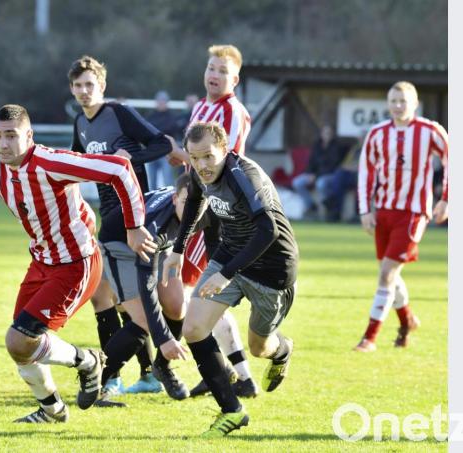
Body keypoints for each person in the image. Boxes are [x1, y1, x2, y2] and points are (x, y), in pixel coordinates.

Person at [0, 104, 155, 423]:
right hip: (41, 262)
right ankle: (52, 410)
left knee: (20, 338)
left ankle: (88, 361)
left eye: (11, 136)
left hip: (76, 264)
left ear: (29, 136)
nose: (3, 144)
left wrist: (134, 227)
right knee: (19, 346)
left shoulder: (51, 161)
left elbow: (119, 169)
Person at [164, 122, 298, 437]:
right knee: (194, 328)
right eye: (195, 158)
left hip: (272, 270)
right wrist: (178, 250)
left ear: (225, 149)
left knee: (258, 347)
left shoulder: (243, 176)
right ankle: (232, 411)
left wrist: (225, 275)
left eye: (209, 157)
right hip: (231, 254)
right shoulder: (200, 170)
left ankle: (281, 350)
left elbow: (269, 230)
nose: (202, 165)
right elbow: (196, 200)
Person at [68, 55, 185, 395]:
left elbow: (163, 143)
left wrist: (130, 158)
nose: (84, 91)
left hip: (141, 220)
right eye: (78, 86)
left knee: (162, 306)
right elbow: (76, 165)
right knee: (116, 303)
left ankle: (145, 371)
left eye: (90, 84)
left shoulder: (118, 113)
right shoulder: (80, 123)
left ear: (101, 86)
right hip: (111, 225)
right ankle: (125, 377)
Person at [92, 173, 221, 403]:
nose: (194, 209)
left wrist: (218, 279)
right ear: (174, 199)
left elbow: (213, 245)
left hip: (162, 246)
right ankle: (94, 379)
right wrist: (164, 339)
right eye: (186, 202)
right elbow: (147, 284)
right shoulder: (153, 225)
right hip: (120, 243)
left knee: (176, 307)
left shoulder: (207, 209)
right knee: (142, 319)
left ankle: (161, 366)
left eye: (200, 203)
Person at [180, 44, 258, 399]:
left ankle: (229, 370)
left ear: (235, 79)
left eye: (222, 71)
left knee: (198, 290)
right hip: (198, 204)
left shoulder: (234, 112)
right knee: (201, 290)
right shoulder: (200, 106)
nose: (214, 75)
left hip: (218, 213)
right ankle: (235, 373)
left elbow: (225, 164)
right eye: (211, 68)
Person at [353, 81, 449, 352]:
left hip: (414, 212)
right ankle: (407, 321)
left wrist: (446, 199)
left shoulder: (429, 131)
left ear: (415, 103)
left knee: (387, 274)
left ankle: (369, 338)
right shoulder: (377, 133)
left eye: (403, 101)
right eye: (393, 100)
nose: (398, 106)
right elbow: (366, 172)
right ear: (387, 103)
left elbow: (450, 158)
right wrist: (365, 209)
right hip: (384, 210)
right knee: (390, 273)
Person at [291, 125, 349, 218]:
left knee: (321, 183)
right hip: (315, 174)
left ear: (332, 134)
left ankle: (329, 205)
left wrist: (316, 176)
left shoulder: (336, 147)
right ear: (321, 134)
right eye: (325, 133)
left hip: (330, 175)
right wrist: (310, 174)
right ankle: (311, 206)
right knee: (297, 182)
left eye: (329, 133)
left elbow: (333, 165)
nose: (327, 135)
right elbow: (311, 162)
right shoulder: (317, 145)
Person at [145, 91, 181, 189]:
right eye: (159, 100)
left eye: (163, 100)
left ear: (167, 102)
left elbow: (171, 130)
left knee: (168, 181)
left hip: (166, 154)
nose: (161, 102)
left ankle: (171, 202)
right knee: (152, 183)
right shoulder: (151, 116)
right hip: (152, 153)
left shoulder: (172, 116)